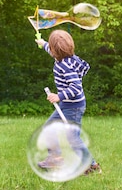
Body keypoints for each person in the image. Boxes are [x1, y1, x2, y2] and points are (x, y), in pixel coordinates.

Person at [35, 29, 101, 175]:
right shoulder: (64, 57)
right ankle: (55, 158)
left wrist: (59, 96)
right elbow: (52, 50)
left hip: (74, 107)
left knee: (72, 137)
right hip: (69, 105)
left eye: (50, 48)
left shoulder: (65, 65)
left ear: (55, 51)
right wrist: (43, 43)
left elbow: (76, 87)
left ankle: (91, 165)